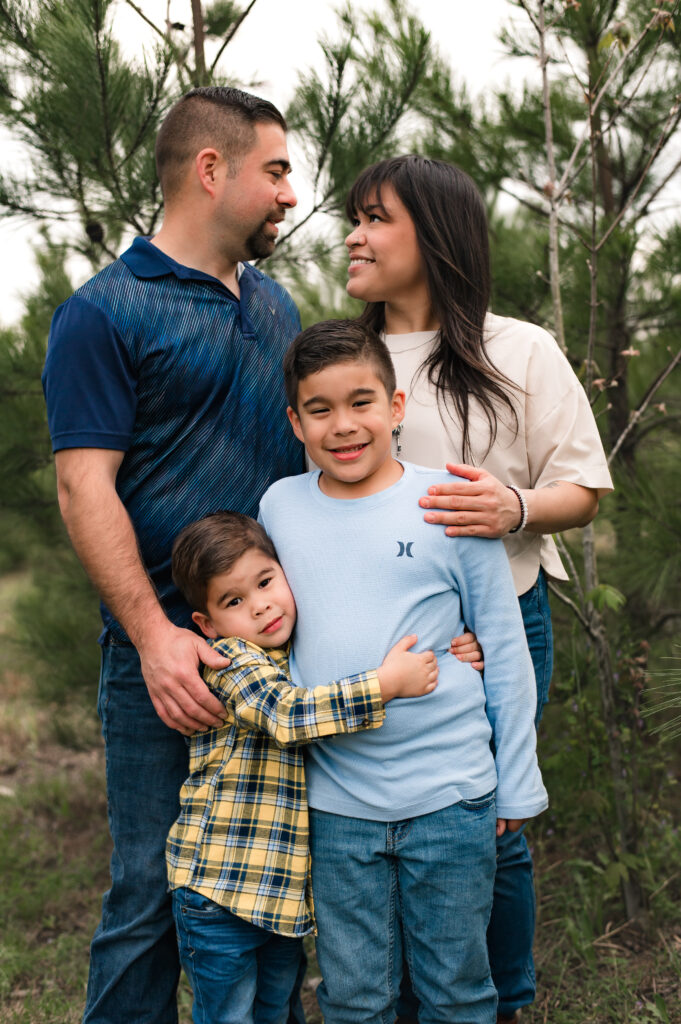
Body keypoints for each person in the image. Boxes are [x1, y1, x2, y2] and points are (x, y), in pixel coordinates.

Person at [41, 86, 305, 1024]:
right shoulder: (105, 314)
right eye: (274, 170)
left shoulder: (278, 306)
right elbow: (85, 487)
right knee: (150, 898)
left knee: (282, 899)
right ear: (210, 169)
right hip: (170, 665)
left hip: (280, 659)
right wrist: (154, 637)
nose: (288, 192)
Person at [343, 154, 614, 1023]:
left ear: (436, 233)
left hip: (501, 625)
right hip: (382, 641)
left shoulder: (518, 349)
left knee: (492, 829)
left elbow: (582, 485)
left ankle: (503, 1005)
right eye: (353, 217)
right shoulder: (347, 360)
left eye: (376, 217)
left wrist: (513, 507)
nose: (354, 234)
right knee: (377, 830)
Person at [258, 319, 548, 1024]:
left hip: (450, 794)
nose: (343, 425)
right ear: (295, 422)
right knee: (354, 995)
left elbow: (503, 647)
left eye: (361, 402)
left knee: (456, 988)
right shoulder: (279, 508)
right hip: (336, 802)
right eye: (319, 410)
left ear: (395, 407)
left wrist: (514, 782)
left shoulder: (446, 505)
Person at [166, 509, 439, 1024]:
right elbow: (289, 714)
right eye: (234, 600)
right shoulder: (230, 663)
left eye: (266, 582)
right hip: (220, 891)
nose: (261, 605)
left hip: (278, 898)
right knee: (229, 1015)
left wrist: (450, 646)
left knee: (276, 1009)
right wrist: (386, 683)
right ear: (207, 623)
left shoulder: (297, 651)